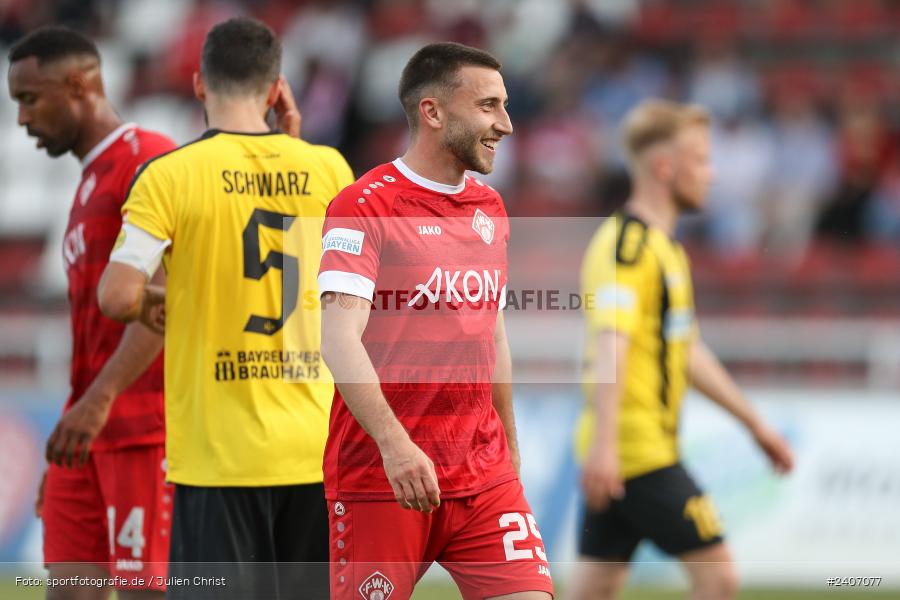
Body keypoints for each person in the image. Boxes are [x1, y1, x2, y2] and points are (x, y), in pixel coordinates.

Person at [97, 17, 352, 600]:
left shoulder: (168, 176)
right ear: (275, 90)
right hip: (312, 451)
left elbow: (116, 295)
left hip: (217, 458)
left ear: (197, 86)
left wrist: (148, 302)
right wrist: (295, 144)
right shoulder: (329, 168)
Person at [317, 42, 554, 600]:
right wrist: (396, 446)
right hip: (384, 477)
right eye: (489, 106)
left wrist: (509, 447)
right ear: (433, 112)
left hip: (482, 473)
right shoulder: (364, 206)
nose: (507, 124)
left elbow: (490, 333)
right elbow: (337, 342)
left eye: (506, 106)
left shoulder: (490, 209)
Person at [570, 100, 795, 600]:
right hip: (635, 452)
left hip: (628, 449)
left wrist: (755, 424)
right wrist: (606, 446)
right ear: (664, 167)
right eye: (701, 159)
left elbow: (687, 350)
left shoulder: (664, 248)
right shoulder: (626, 247)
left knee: (594, 588)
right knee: (718, 578)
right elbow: (612, 342)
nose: (711, 174)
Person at [7, 26, 176, 600]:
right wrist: (72, 428)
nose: (22, 119)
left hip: (143, 428)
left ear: (78, 85)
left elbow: (166, 302)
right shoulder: (86, 182)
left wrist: (99, 400)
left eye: (30, 99)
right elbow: (92, 333)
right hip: (89, 430)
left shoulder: (146, 158)